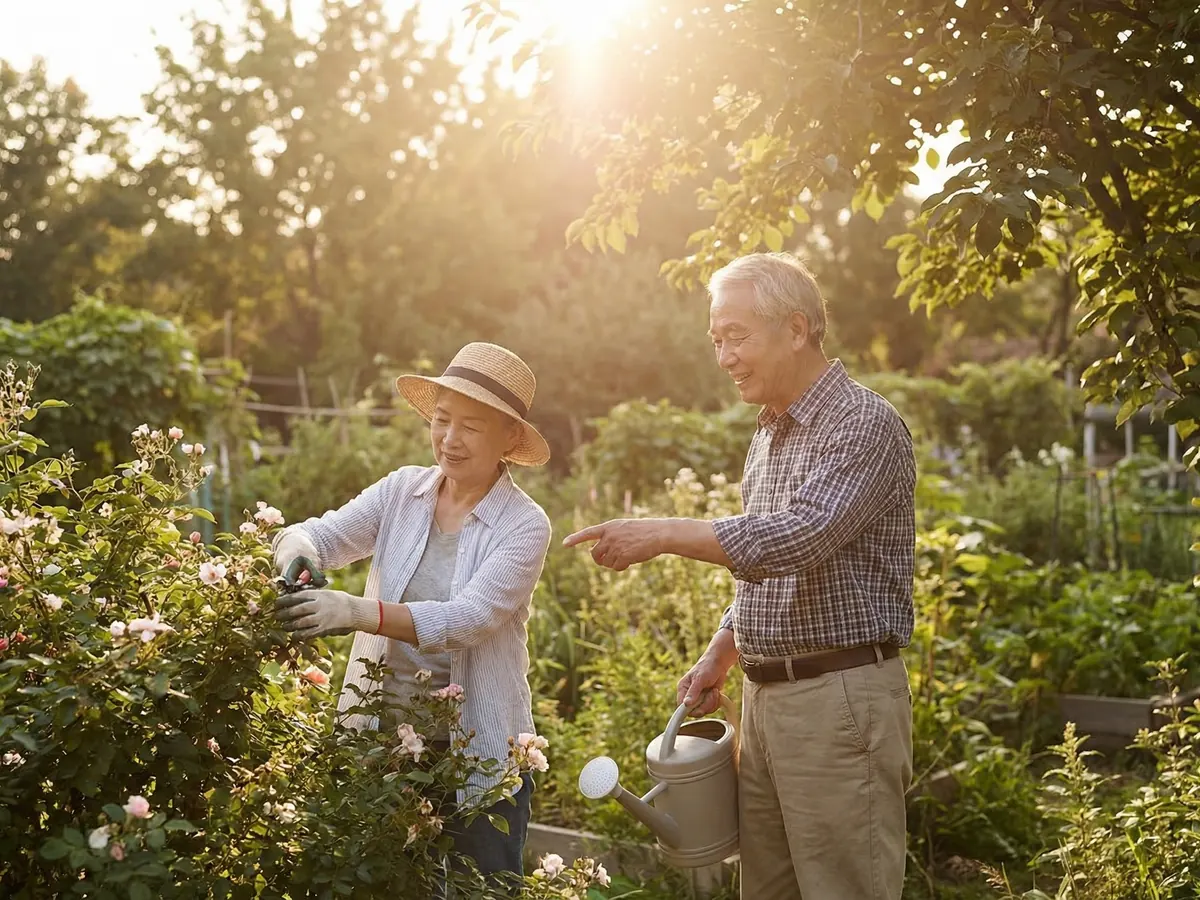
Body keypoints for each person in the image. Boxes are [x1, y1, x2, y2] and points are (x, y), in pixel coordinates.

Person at [564, 252, 917, 900]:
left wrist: (663, 532)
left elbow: (800, 537)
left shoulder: (863, 424)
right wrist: (721, 653)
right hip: (766, 703)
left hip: (839, 699)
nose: (724, 355)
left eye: (737, 335)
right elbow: (767, 571)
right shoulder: (769, 434)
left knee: (847, 889)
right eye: (717, 339)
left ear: (797, 328)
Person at [270, 341, 553, 884]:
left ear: (509, 438)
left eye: (471, 426)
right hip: (383, 743)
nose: (450, 439)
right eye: (442, 420)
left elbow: (465, 620)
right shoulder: (403, 491)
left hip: (477, 750)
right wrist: (298, 553)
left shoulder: (524, 525)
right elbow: (315, 535)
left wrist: (356, 610)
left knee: (483, 890)